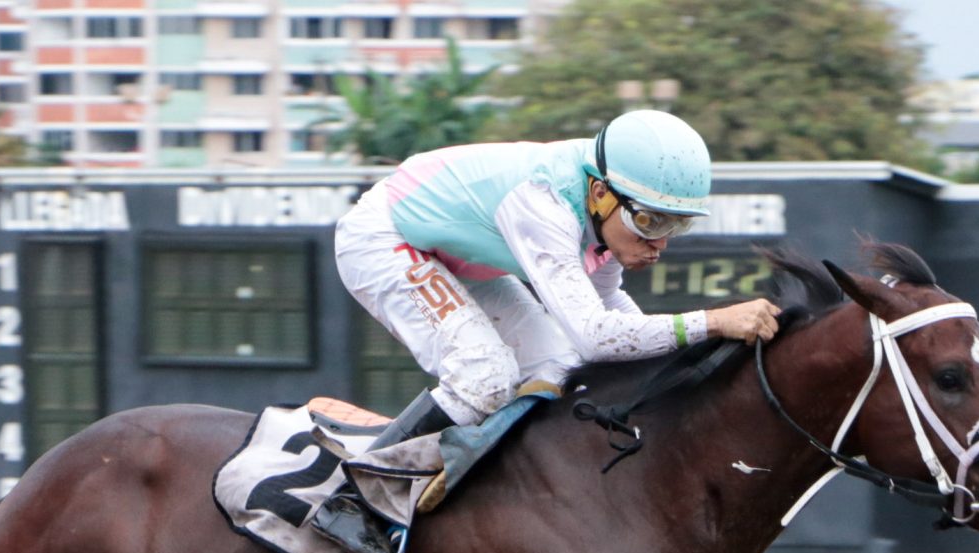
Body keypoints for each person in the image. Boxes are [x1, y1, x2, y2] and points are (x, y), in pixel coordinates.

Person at [334, 109, 783, 456]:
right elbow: (596, 337)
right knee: (484, 375)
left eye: (676, 226)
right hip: (384, 236)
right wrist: (713, 322)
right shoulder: (544, 204)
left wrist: (687, 357)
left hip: (458, 256)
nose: (660, 243)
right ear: (601, 194)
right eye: (650, 221)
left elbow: (608, 306)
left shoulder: (603, 206)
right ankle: (352, 496)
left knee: (559, 370)